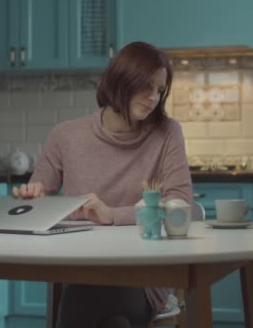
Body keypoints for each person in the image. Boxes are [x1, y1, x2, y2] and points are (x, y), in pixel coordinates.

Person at [12, 41, 193, 328]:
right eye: (146, 86)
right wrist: (30, 197)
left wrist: (112, 215)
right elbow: (37, 199)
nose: (153, 98)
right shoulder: (65, 135)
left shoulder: (167, 133)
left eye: (160, 90)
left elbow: (180, 203)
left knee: (96, 305)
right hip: (82, 268)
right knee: (99, 305)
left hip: (143, 272)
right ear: (121, 80)